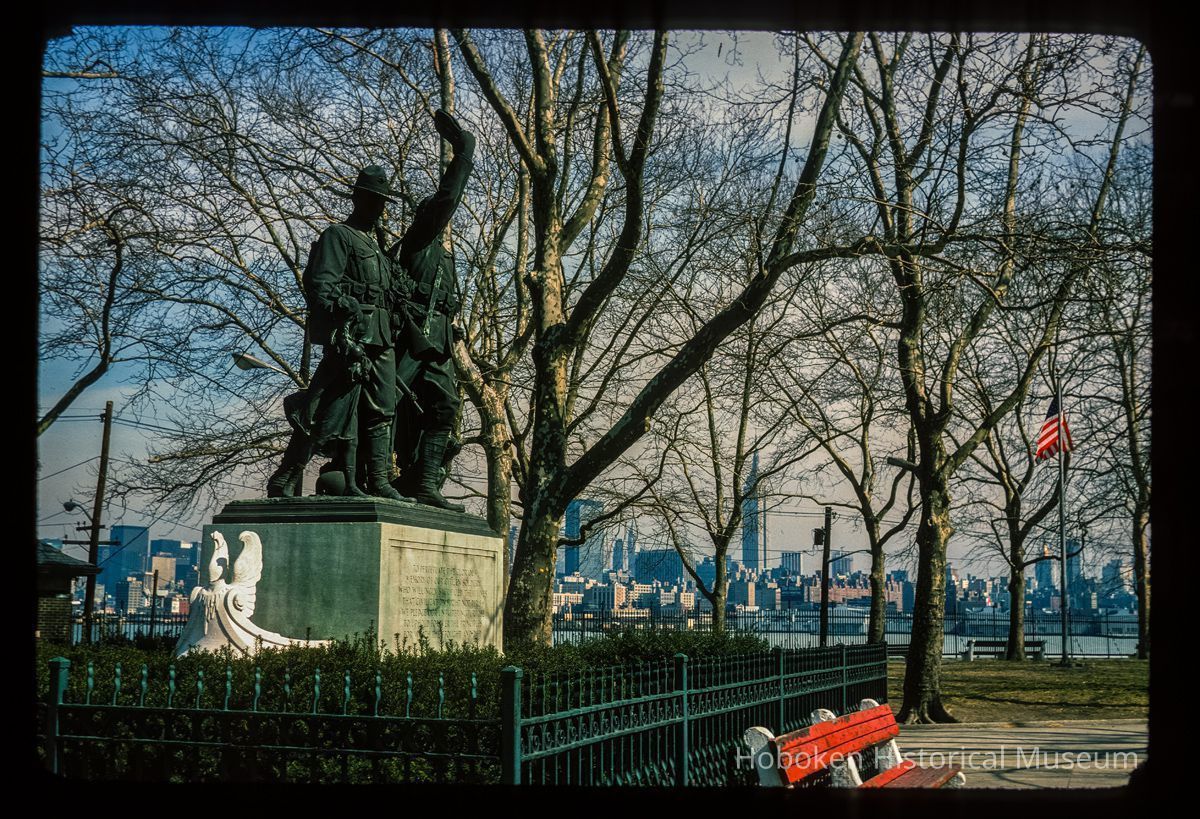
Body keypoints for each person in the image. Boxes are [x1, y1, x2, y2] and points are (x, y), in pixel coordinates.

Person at [267, 165, 411, 501]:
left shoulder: (376, 247)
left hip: (381, 337)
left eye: (382, 202)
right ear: (358, 199)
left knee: (382, 409)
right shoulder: (339, 236)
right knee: (328, 412)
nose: (378, 207)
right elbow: (321, 283)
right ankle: (285, 475)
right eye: (373, 200)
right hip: (352, 338)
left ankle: (378, 481)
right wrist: (343, 310)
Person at [391, 110, 474, 512]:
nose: (441, 220)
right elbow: (446, 199)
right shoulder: (417, 243)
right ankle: (367, 472)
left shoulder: (446, 258)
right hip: (409, 338)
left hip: (437, 342)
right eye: (435, 215)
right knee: (381, 402)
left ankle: (426, 484)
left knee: (446, 408)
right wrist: (464, 154)